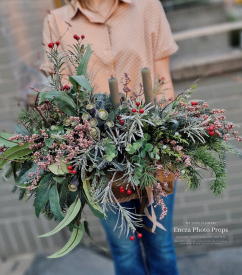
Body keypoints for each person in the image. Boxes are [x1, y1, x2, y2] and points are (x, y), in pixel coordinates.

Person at [39, 0, 179, 274]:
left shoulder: (147, 7)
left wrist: (163, 136)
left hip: (152, 149)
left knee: (161, 243)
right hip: (100, 161)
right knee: (124, 249)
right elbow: (62, 98)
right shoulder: (56, 22)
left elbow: (163, 82)